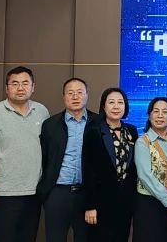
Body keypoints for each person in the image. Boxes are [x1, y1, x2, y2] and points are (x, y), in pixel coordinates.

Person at [0, 66, 49, 242]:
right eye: (14, 84)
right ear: (7, 88)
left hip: (34, 192)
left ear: (33, 87)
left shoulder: (42, 111)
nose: (20, 88)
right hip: (2, 193)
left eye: (25, 83)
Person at [37, 78, 94, 242]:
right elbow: (44, 158)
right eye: (70, 93)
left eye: (80, 92)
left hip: (86, 193)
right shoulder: (50, 124)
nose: (75, 97)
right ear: (64, 97)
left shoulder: (97, 123)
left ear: (87, 95)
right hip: (57, 193)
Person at [82, 87, 139, 240]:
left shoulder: (131, 131)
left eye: (120, 102)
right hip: (101, 203)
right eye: (111, 102)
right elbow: (88, 170)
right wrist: (90, 206)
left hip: (125, 202)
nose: (116, 106)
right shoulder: (94, 131)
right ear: (104, 106)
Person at [133, 96, 167, 242]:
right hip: (150, 202)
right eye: (156, 111)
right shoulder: (143, 142)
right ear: (149, 115)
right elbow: (144, 175)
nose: (160, 115)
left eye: (165, 111)